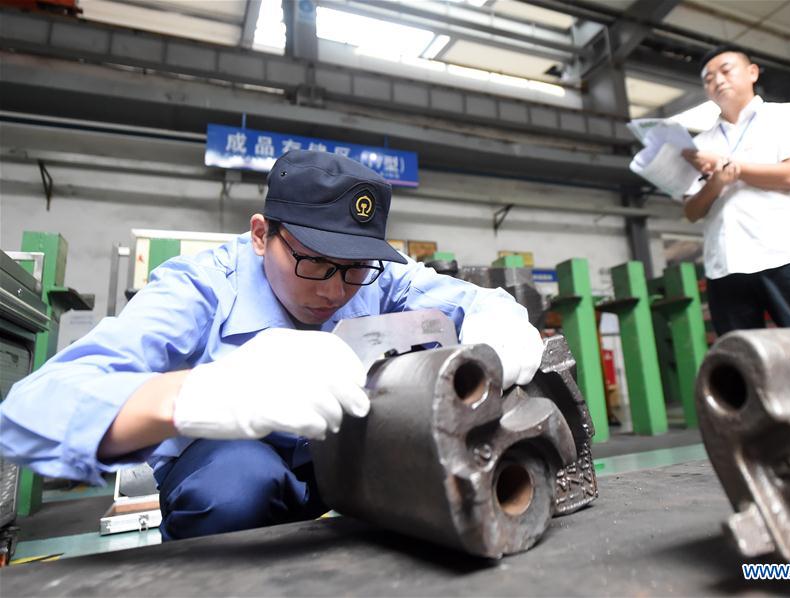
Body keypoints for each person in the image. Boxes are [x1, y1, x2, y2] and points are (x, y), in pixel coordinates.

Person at [0, 150, 545, 541]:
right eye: (314, 264)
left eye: (353, 269)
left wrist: (499, 322)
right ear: (261, 234)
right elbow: (29, 412)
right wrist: (201, 394)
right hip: (230, 481)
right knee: (238, 484)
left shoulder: (378, 279)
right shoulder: (197, 286)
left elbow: (470, 301)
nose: (334, 290)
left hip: (343, 466)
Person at [680, 45, 790, 336]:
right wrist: (718, 181)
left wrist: (728, 165)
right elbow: (691, 210)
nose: (718, 81)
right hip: (725, 265)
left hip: (787, 254)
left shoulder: (786, 116)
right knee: (742, 360)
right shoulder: (700, 144)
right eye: (708, 78)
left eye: (725, 70)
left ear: (752, 72)